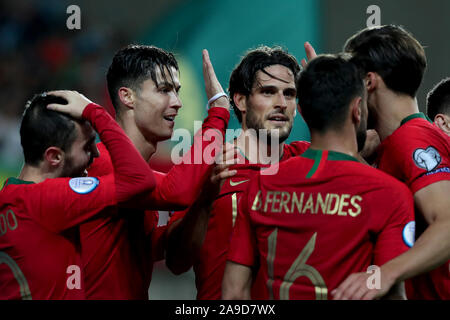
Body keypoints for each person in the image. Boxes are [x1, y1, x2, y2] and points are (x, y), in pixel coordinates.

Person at [222, 54, 415, 300]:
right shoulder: (390, 194)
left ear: (302, 110)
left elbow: (234, 293)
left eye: (290, 94)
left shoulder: (262, 183)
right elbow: (392, 292)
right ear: (357, 110)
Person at [80, 45, 235, 299]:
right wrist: (218, 112)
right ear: (127, 97)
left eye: (177, 91)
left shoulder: (139, 177)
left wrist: (204, 200)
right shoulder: (104, 163)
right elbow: (178, 192)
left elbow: (176, 260)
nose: (178, 103)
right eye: (164, 90)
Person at [165, 46, 311, 300]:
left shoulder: (308, 160)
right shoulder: (210, 166)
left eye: (290, 94)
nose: (281, 103)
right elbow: (176, 262)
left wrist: (329, 95)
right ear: (240, 100)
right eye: (268, 92)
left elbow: (371, 142)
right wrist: (204, 200)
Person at [332, 25, 450, 300]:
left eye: (350, 83)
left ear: (369, 82)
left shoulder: (412, 139)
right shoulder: (397, 141)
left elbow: (447, 223)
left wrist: (384, 274)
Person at [0, 91, 155, 299]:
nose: (96, 152)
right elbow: (139, 180)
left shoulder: (10, 199)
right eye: (87, 145)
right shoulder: (48, 199)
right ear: (54, 156)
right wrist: (96, 113)